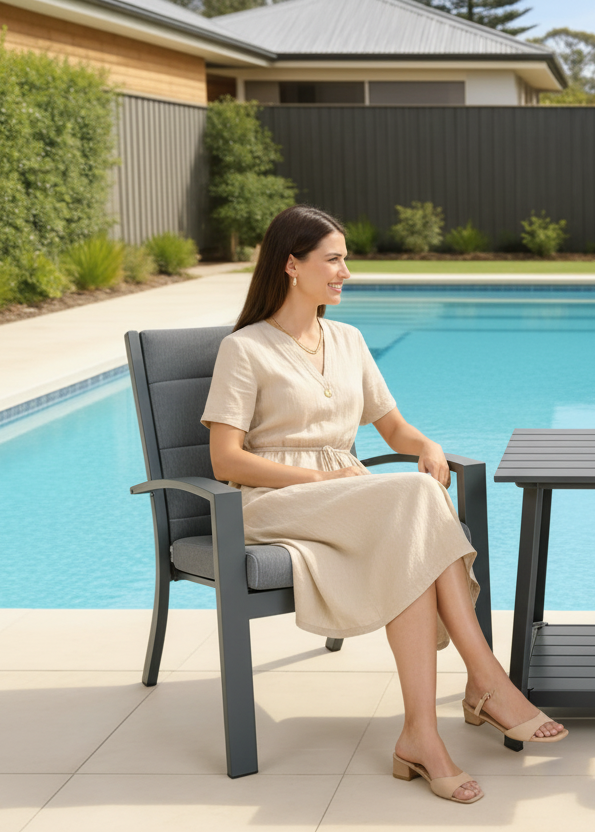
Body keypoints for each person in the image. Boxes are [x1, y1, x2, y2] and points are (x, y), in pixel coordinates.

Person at [201, 205, 567, 805]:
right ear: (292, 265)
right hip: (272, 502)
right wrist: (313, 482)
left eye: (345, 258)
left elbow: (393, 429)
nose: (348, 270)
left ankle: (421, 736)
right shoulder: (245, 350)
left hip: (350, 496)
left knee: (414, 525)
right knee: (416, 498)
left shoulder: (348, 340)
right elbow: (226, 461)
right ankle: (486, 680)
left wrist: (428, 445)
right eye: (335, 259)